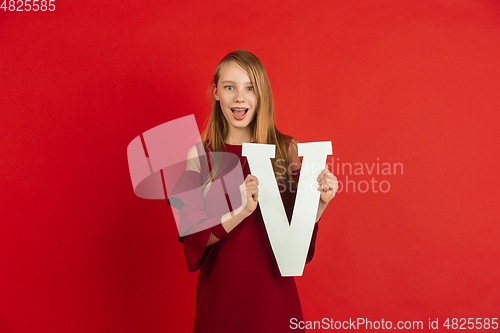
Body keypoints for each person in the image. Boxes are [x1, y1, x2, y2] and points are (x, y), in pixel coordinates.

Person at [168, 50, 338, 333]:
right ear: (216, 93)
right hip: (221, 299)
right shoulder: (200, 155)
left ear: (261, 95)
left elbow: (296, 245)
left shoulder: (287, 150)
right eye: (229, 87)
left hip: (272, 297)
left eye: (250, 88)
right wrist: (241, 209)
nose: (239, 97)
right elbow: (196, 242)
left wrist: (320, 204)